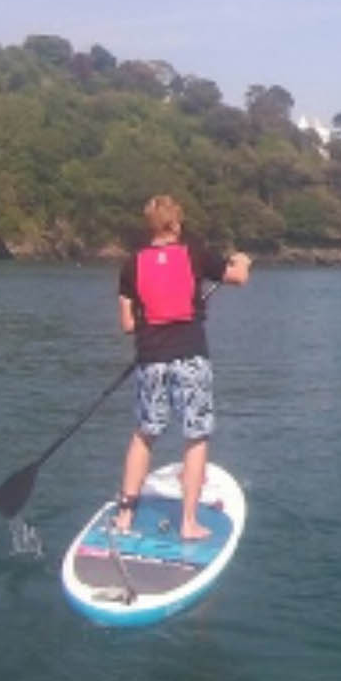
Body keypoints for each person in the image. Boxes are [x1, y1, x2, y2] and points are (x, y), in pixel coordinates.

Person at [115, 195, 251, 538]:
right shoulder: (194, 254)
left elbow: (128, 324)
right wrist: (243, 261)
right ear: (176, 224)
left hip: (150, 359)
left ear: (150, 227)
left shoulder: (131, 264)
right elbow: (237, 278)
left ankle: (125, 517)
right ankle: (188, 523)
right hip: (190, 356)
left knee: (145, 434)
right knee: (195, 435)